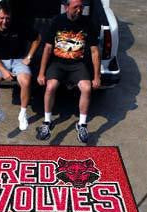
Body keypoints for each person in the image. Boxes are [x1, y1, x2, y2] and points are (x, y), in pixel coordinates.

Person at [36, 0, 101, 143]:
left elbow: (95, 51)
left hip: (78, 64)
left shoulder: (87, 23)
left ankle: (82, 124)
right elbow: (47, 48)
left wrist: (97, 77)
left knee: (87, 88)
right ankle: (47, 122)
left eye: (81, 7)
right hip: (58, 63)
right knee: (50, 86)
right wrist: (41, 73)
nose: (79, 10)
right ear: (66, 7)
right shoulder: (57, 21)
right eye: (75, 7)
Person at [0, 1, 41, 130]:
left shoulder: (19, 25)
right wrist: (3, 71)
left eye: (7, 18)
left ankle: (22, 114)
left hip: (18, 60)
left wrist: (29, 57)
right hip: (0, 61)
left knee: (26, 82)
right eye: (2, 18)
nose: (5, 21)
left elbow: (37, 38)